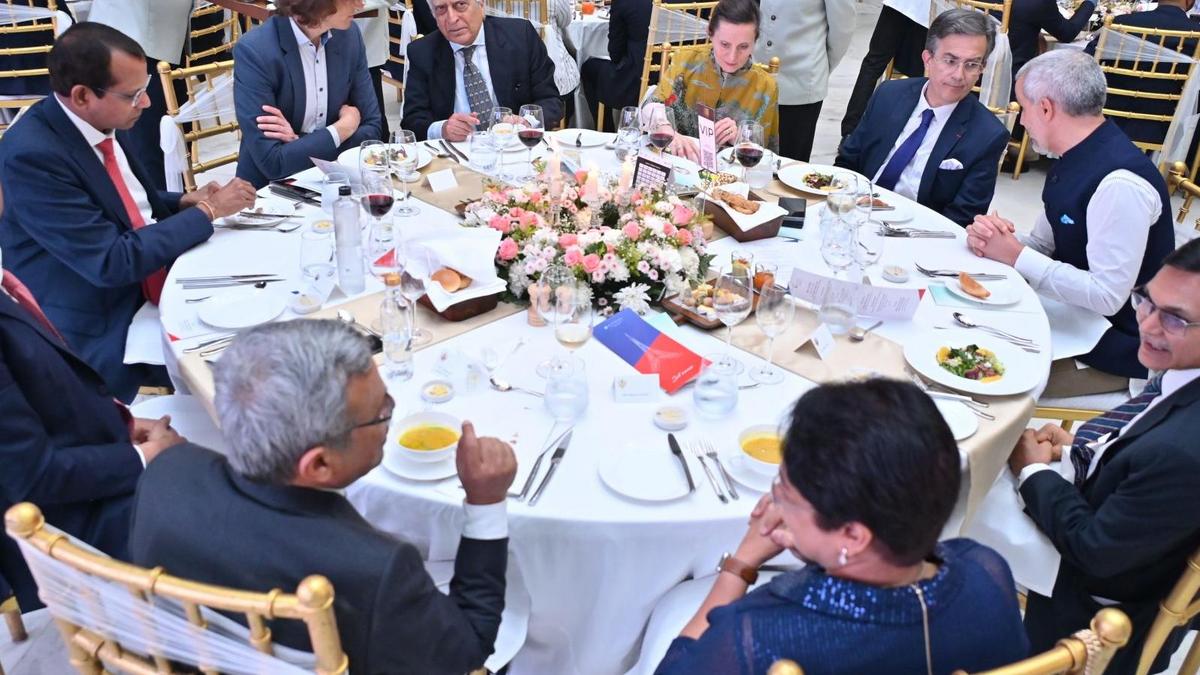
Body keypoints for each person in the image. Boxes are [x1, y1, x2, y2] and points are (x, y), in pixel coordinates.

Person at [128, 319, 518, 674]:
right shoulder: (376, 569)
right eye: (381, 412)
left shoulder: (164, 472)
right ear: (318, 465)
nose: (391, 414)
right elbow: (468, 648)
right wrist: (485, 503)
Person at [654, 379, 1029, 674]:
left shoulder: (761, 634)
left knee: (669, 605)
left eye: (785, 489)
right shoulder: (987, 572)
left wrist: (740, 565)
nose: (776, 498)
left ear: (853, 534)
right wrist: (822, 550)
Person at [0, 22, 256, 403]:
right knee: (243, 364)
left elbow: (120, 200)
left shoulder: (95, 119)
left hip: (148, 273)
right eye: (134, 95)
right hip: (103, 313)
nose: (147, 103)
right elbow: (111, 261)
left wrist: (182, 201)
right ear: (82, 96)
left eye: (145, 87)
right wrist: (207, 211)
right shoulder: (32, 157)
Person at [1006, 238, 1200, 674]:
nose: (1147, 325)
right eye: (1146, 301)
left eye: (1174, 319)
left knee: (944, 511)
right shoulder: (1184, 376)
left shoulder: (1182, 452)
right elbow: (1145, 441)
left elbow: (1094, 550)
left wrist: (1031, 470)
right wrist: (1085, 451)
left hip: (1096, 610)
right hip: (1128, 533)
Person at [967, 50, 1175, 397]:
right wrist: (995, 240)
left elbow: (1107, 296)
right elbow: (1044, 245)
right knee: (967, 324)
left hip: (1119, 343)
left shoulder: (1120, 184)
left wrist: (1016, 255)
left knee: (984, 376)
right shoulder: (1075, 154)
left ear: (1046, 108)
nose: (1022, 121)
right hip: (1071, 313)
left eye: (1024, 108)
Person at [0, 245, 184, 611]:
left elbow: (35, 406)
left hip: (89, 470)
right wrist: (144, 457)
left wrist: (119, 422)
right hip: (71, 539)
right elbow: (34, 476)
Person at [836, 9, 1010, 227]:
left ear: (982, 68)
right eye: (950, 61)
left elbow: (962, 217)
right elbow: (848, 161)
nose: (959, 75)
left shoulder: (988, 134)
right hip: (856, 214)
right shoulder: (889, 94)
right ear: (928, 59)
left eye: (972, 64)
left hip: (918, 233)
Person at [233, 0, 384, 188]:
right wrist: (342, 129)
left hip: (338, 182)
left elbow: (373, 131)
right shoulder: (255, 50)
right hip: (270, 191)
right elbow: (273, 162)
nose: (361, 4)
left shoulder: (349, 36)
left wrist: (300, 144)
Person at [402, 0, 563, 142]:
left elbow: (550, 100)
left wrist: (525, 122)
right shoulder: (422, 52)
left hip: (514, 146)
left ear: (481, 4)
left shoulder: (520, 36)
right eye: (441, 9)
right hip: (455, 153)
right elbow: (412, 119)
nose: (451, 19)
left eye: (461, 5)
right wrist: (442, 129)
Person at [642, 0, 780, 160]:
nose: (732, 57)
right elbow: (651, 106)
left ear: (755, 41)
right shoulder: (685, 63)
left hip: (730, 173)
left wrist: (740, 138)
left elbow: (767, 156)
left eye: (743, 47)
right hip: (677, 163)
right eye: (725, 44)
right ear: (710, 33)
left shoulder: (766, 87)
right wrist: (666, 128)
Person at [87, 0, 195, 190]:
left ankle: (177, 196)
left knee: (175, 136)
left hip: (166, 39)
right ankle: (155, 201)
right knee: (148, 140)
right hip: (135, 39)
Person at [1083, 0, 1199, 147]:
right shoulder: (1196, 33)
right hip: (1168, 132)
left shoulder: (1122, 23)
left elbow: (1085, 64)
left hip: (1111, 123)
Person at [755, 0, 855, 161]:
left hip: (800, 84)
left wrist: (818, 68)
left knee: (790, 164)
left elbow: (843, 27)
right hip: (756, 77)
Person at [841, 0, 930, 141]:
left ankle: (851, 132)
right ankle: (853, 130)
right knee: (919, 74)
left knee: (875, 64)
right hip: (922, 11)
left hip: (910, 8)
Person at [581, 0, 651, 129]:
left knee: (589, 68)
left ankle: (606, 131)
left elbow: (615, 53)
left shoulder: (624, 2)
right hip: (677, 78)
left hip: (635, 83)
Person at [1010, 0, 1095, 87]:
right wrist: (1090, 3)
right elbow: (1067, 33)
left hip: (1004, 67)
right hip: (1017, 79)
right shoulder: (1039, 2)